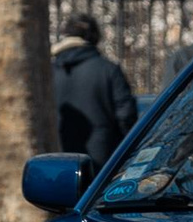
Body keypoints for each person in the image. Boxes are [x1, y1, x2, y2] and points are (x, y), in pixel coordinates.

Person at [54, 11, 138, 168]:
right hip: (103, 159)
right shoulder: (108, 69)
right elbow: (126, 115)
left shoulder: (49, 72)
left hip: (58, 158)